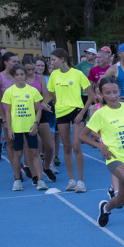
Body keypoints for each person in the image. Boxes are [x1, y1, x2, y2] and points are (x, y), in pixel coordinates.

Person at [83, 77, 124, 247]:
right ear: (102, 95)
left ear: (119, 91)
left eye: (114, 92)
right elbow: (82, 135)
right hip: (113, 158)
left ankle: (106, 208)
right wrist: (100, 146)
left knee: (121, 200)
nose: (112, 96)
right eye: (107, 93)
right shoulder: (100, 114)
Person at [44, 48, 94, 193]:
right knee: (66, 147)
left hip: (76, 111)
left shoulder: (77, 74)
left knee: (77, 146)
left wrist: (83, 113)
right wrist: (42, 103)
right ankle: (71, 180)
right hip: (60, 113)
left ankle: (81, 181)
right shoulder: (54, 75)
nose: (51, 63)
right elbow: (50, 94)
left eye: (53, 60)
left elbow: (90, 96)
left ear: (62, 59)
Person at [1, 64, 46, 191]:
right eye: (17, 75)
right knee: (18, 153)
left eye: (22, 74)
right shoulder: (9, 92)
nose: (20, 77)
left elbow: (38, 110)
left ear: (25, 75)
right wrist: (9, 128)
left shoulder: (32, 91)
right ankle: (17, 179)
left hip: (30, 127)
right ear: (13, 76)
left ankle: (40, 179)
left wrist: (36, 123)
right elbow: (8, 112)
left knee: (34, 152)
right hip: (16, 127)